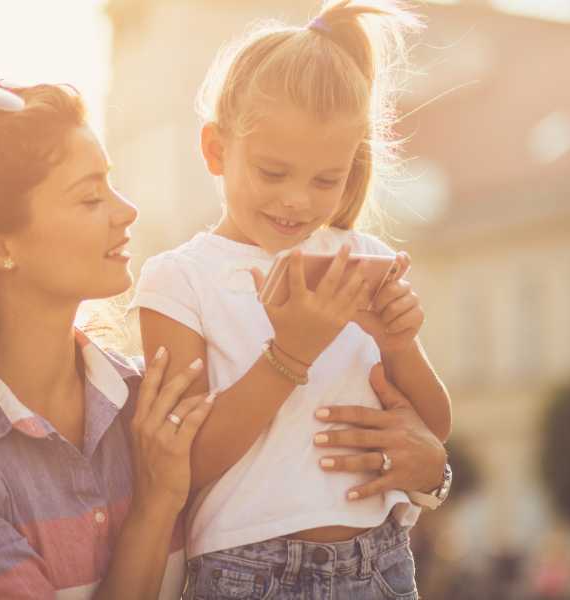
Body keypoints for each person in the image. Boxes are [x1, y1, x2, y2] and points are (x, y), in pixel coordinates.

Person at [0, 79, 446, 600]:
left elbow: (294, 475)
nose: (127, 211)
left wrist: (431, 471)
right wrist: (156, 505)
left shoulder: (149, 401)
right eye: (90, 197)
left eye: (111, 185)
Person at [132, 0, 452, 598]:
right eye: (272, 172)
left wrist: (399, 344)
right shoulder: (177, 280)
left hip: (377, 562)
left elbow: (432, 433)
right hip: (247, 573)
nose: (298, 201)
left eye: (324, 180)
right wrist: (289, 355)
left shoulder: (362, 256)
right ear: (215, 150)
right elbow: (185, 466)